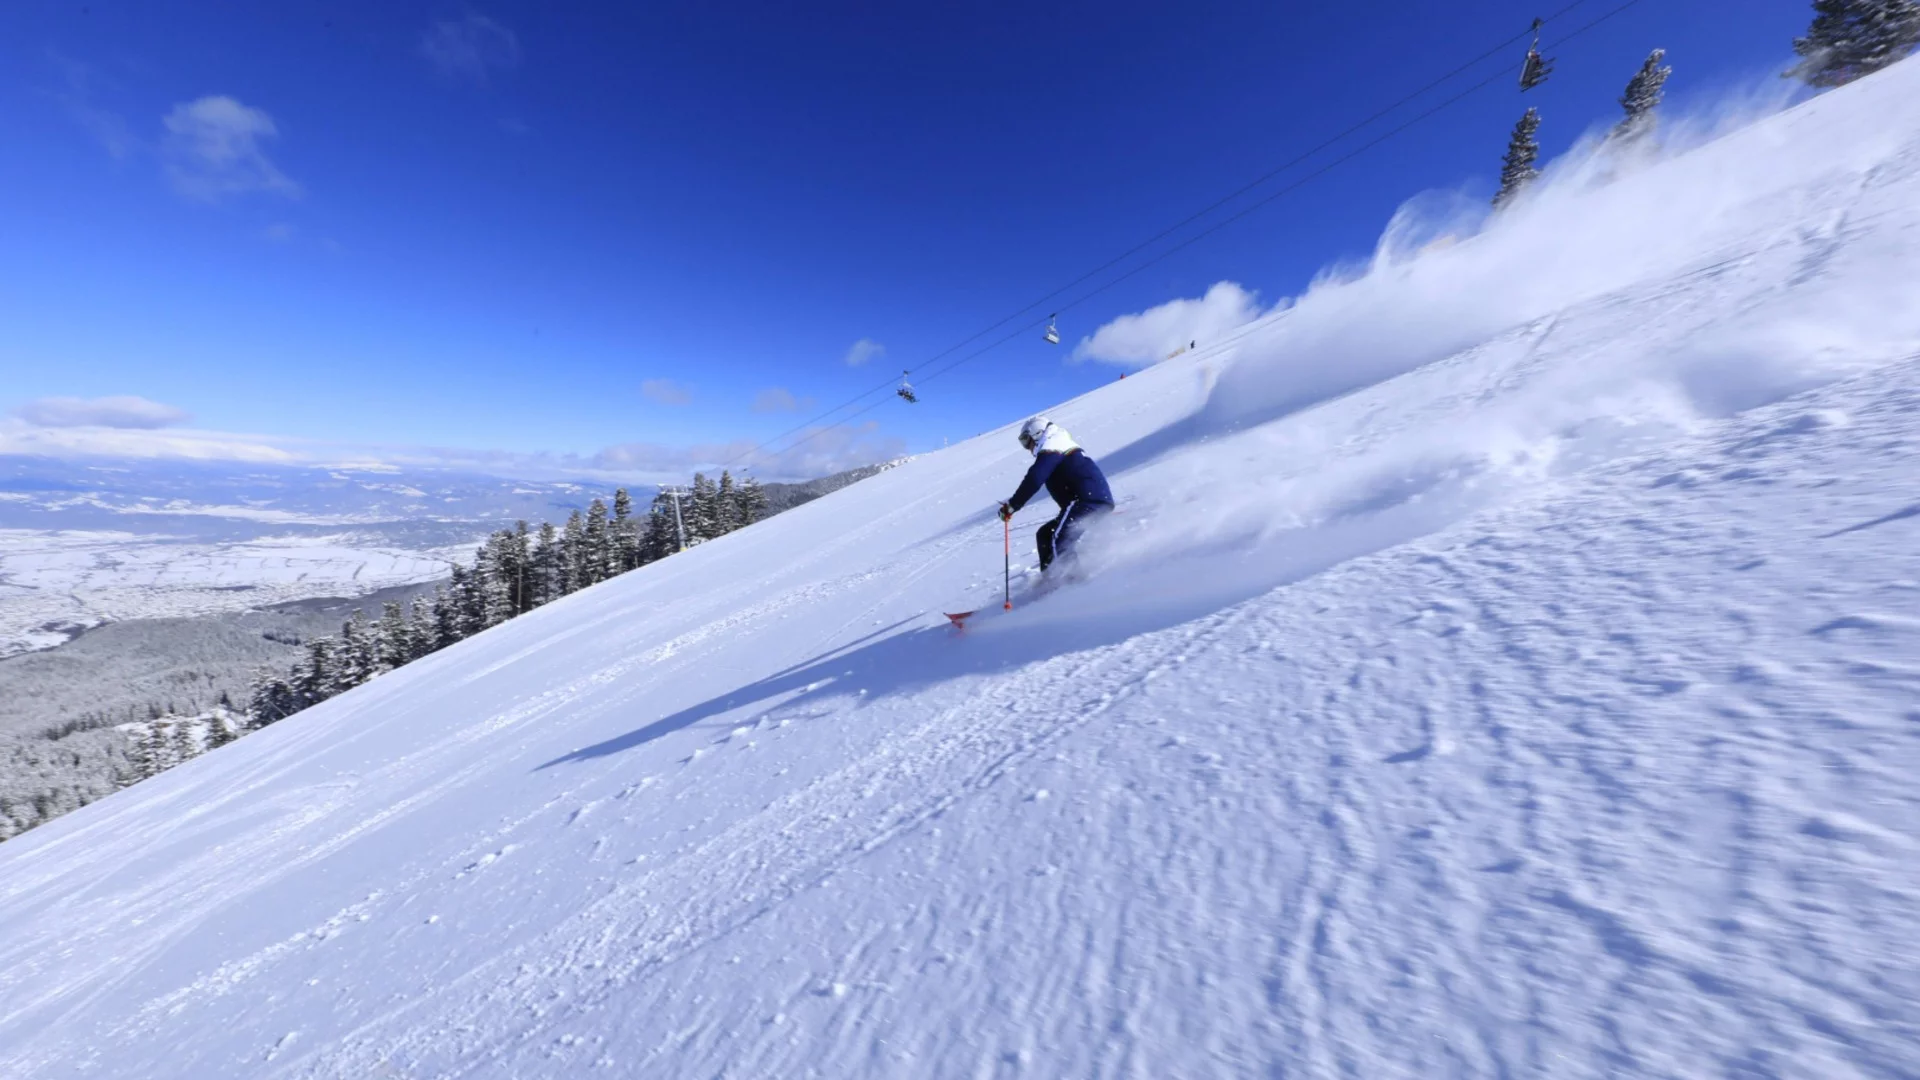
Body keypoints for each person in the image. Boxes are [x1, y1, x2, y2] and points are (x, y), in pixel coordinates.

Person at [999, 416, 1114, 574]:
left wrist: (1013, 505)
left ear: (1037, 433)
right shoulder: (1057, 443)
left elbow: (1035, 477)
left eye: (1026, 440)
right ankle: (1049, 580)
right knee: (1045, 534)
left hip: (1084, 500)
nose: (1027, 447)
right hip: (1087, 501)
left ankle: (1068, 585)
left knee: (1059, 539)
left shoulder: (1053, 445)